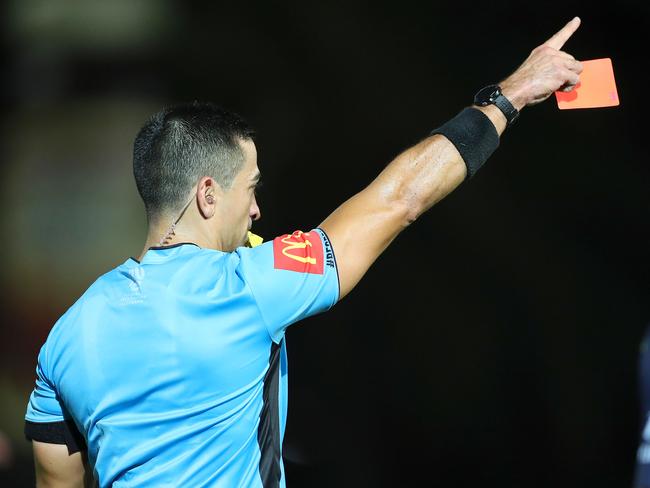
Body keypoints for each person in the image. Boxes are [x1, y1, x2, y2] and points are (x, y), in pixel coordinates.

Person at [24, 17, 584, 488]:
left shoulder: (69, 334)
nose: (257, 212)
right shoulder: (246, 288)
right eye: (251, 188)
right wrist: (509, 96)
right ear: (208, 193)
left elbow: (57, 479)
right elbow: (399, 200)